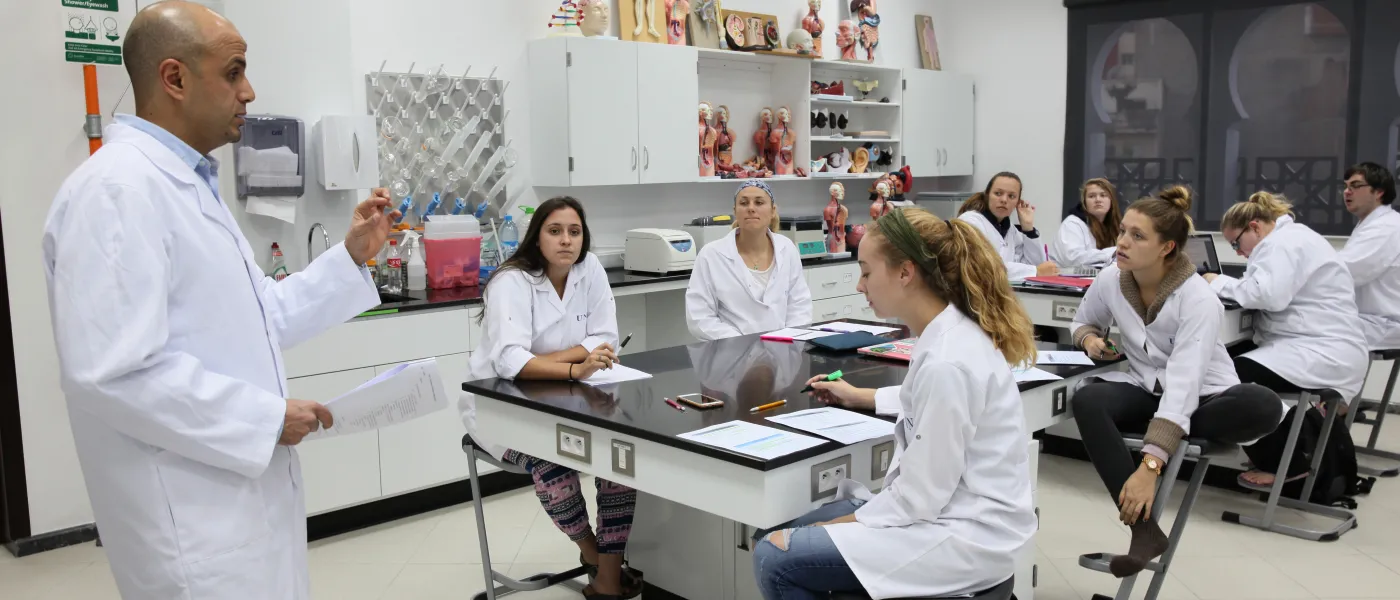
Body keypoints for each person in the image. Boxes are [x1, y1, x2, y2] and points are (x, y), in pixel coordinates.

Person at [41, 3, 400, 598]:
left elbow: (263, 314)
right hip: (193, 526)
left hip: (236, 506)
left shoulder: (188, 187)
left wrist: (353, 255)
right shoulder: (117, 192)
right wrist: (263, 418)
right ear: (175, 79)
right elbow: (111, 373)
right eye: (234, 72)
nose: (249, 91)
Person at [753, 208, 1037, 599]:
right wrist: (861, 396)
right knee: (772, 534)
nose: (859, 285)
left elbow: (919, 499)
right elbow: (925, 405)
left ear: (905, 272)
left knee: (775, 557)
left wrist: (840, 526)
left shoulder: (948, 362)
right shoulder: (946, 334)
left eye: (867, 272)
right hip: (951, 516)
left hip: (961, 538)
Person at [1067, 186, 1282, 577]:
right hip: (1147, 391)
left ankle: (1163, 435)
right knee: (1087, 400)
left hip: (1205, 397)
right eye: (1123, 231)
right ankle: (1144, 530)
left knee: (1261, 404)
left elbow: (1185, 383)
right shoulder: (1113, 278)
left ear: (1167, 248)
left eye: (1137, 236)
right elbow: (1082, 320)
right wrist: (1091, 340)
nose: (1122, 243)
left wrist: (1150, 466)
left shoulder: (1197, 298)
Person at [461, 196, 639, 600]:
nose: (566, 241)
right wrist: (576, 366)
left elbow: (606, 338)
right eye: (555, 231)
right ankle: (593, 554)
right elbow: (508, 362)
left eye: (574, 232)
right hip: (500, 407)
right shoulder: (511, 281)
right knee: (551, 465)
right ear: (537, 238)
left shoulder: (589, 269)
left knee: (621, 460)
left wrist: (542, 362)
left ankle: (608, 577)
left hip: (567, 398)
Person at [1205, 191, 1369, 486]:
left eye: (1235, 243)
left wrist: (1216, 282)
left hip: (1319, 351)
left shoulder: (1281, 244)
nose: (1238, 252)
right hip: (1323, 346)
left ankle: (1286, 464)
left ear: (1254, 227)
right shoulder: (1292, 237)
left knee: (1225, 375)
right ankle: (1282, 452)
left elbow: (1268, 294)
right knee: (1232, 363)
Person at [686, 180, 813, 340]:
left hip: (782, 353)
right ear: (735, 211)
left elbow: (799, 305)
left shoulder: (787, 249)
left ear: (773, 210)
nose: (751, 208)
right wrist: (742, 345)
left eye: (759, 202)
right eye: (744, 203)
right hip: (731, 355)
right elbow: (700, 317)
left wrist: (787, 342)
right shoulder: (711, 255)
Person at [1338, 162, 1400, 350]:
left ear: (1379, 192)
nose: (1347, 192)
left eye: (1356, 186)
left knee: (1300, 326)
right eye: (1346, 186)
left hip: (1383, 323)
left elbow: (1344, 272)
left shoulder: (1385, 227)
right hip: (1372, 319)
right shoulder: (1372, 224)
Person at [957, 171, 1058, 280]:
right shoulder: (969, 222)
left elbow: (1038, 266)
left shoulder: (1011, 231)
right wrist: (1035, 271)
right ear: (987, 195)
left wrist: (1028, 228)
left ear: (1017, 203)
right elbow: (983, 266)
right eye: (998, 193)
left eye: (1011, 196)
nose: (1004, 200)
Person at [1052, 177, 1123, 268]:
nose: (1098, 200)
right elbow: (1073, 259)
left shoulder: (1115, 225)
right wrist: (1113, 252)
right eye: (1091, 196)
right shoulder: (1072, 224)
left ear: (1111, 200)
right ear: (1084, 202)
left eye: (1103, 195)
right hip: (1066, 279)